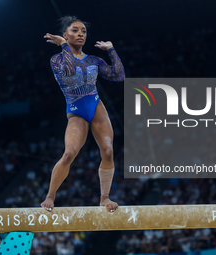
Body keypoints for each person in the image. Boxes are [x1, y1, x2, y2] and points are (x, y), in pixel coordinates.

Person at [40, 16, 125, 213]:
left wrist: (111, 50)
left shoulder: (94, 60)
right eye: (75, 30)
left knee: (109, 151)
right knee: (69, 153)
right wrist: (63, 46)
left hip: (96, 107)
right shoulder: (57, 59)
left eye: (84, 32)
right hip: (76, 112)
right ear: (65, 35)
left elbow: (119, 76)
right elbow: (70, 71)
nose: (80, 34)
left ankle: (104, 198)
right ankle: (50, 196)